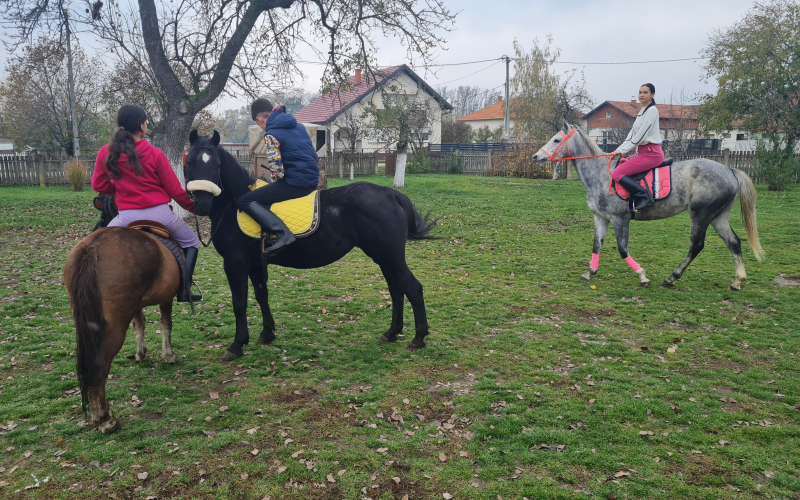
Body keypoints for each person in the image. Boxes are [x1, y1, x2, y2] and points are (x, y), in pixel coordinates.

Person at [92, 104, 201, 302]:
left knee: (97, 246)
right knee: (192, 242)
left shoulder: (105, 153)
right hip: (160, 215)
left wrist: (120, 188)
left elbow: (97, 184)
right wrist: (193, 207)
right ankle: (185, 290)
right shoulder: (156, 154)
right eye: (145, 121)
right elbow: (175, 190)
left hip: (126, 217)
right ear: (141, 126)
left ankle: (97, 289)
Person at [237, 98, 320, 254]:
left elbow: (278, 173)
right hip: (312, 181)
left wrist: (273, 183)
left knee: (245, 200)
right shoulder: (299, 127)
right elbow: (313, 156)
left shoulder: (270, 134)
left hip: (295, 184)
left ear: (258, 119)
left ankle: (283, 234)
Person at [610, 83, 665, 212]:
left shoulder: (652, 111)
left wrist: (624, 150)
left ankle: (645, 197)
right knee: (619, 165)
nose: (641, 95)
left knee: (617, 173)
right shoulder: (642, 111)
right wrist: (619, 149)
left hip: (652, 154)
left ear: (653, 95)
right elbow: (632, 134)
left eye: (645, 92)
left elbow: (641, 136)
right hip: (642, 152)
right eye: (640, 92)